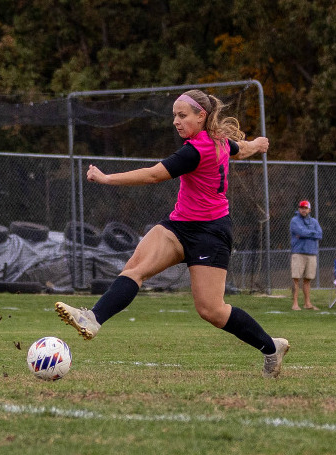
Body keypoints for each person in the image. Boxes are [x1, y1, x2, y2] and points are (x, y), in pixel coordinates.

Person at [54, 90, 290, 378]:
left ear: (201, 116)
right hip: (179, 225)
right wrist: (256, 144)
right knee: (135, 269)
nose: (176, 122)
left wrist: (106, 178)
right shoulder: (219, 142)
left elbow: (154, 175)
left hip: (211, 233)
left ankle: (271, 348)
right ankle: (92, 319)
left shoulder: (196, 150)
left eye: (183, 115)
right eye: (174, 116)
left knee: (211, 311)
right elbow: (240, 147)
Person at [290, 199, 322, 311]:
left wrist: (307, 233)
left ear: (309, 209)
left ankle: (307, 303)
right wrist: (311, 233)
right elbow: (300, 232)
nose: (303, 210)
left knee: (308, 279)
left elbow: (319, 234)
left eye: (305, 208)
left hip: (311, 253)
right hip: (298, 252)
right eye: (302, 208)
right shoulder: (294, 220)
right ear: (299, 209)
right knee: (296, 279)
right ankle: (295, 304)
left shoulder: (314, 221)